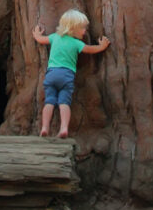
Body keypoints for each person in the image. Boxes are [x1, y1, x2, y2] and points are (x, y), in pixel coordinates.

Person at [33, 8, 110, 138]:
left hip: (51, 75)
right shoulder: (76, 43)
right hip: (66, 76)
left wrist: (36, 35)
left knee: (49, 101)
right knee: (64, 102)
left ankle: (45, 128)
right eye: (83, 28)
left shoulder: (54, 37)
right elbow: (90, 49)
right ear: (73, 28)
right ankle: (63, 128)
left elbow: (41, 40)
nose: (85, 31)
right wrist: (102, 47)